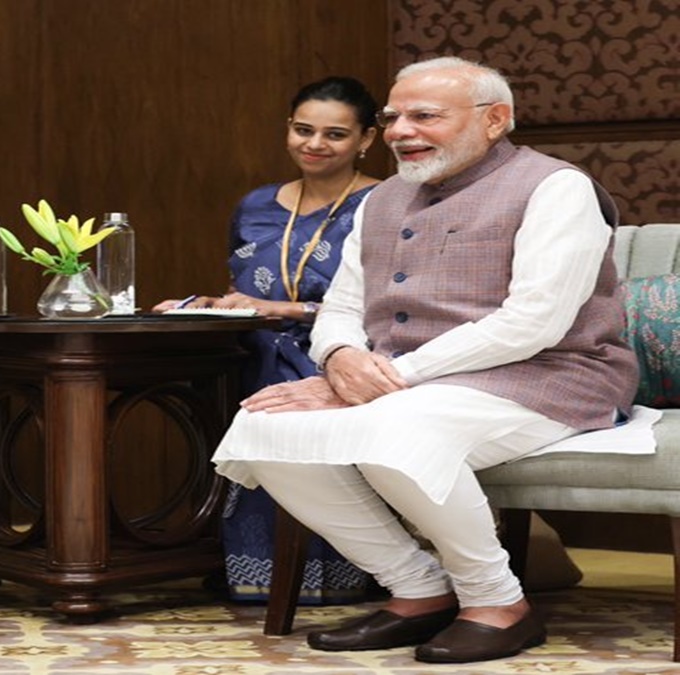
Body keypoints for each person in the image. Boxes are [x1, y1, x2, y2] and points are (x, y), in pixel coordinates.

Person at [211, 56, 638, 664]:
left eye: (424, 116)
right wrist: (337, 358)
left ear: (495, 120)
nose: (399, 131)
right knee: (262, 425)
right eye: (392, 117)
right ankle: (417, 589)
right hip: (414, 385)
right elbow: (342, 304)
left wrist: (387, 380)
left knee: (394, 428)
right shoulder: (382, 199)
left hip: (550, 377)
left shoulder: (555, 187)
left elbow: (534, 321)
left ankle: (498, 603)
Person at [155, 76, 382, 606]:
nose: (315, 145)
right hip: (252, 355)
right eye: (303, 130)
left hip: (334, 357)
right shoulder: (255, 204)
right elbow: (251, 288)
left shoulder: (385, 204)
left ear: (366, 139)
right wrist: (205, 306)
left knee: (314, 456)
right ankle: (246, 575)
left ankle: (344, 581)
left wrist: (283, 310)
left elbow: (386, 307)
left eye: (335, 134)